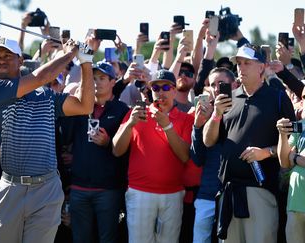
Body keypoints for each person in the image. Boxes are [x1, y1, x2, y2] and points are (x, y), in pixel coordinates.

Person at [0, 37, 94, 242]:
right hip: (11, 188)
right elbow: (41, 77)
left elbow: (85, 106)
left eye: (7, 56)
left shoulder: (46, 95)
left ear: (21, 60)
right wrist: (69, 54)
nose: (1, 60)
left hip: (46, 189)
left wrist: (85, 63)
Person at [203, 44, 295, 243]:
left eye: (247, 63)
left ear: (261, 67)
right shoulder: (229, 98)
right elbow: (208, 141)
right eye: (239, 63)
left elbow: (293, 144)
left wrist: (266, 152)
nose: (241, 68)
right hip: (228, 191)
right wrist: (216, 114)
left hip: (261, 192)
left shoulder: (278, 98)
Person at [112, 69, 194, 243]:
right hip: (139, 191)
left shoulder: (186, 119)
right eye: (156, 88)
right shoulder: (136, 114)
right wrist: (130, 124)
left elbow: (185, 156)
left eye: (166, 87)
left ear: (174, 90)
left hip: (173, 193)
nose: (161, 91)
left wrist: (167, 126)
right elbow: (116, 150)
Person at [61, 61, 129, 243]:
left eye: (102, 78)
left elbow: (127, 150)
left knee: (108, 239)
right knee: (80, 239)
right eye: (93, 78)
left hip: (108, 189)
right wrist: (71, 103)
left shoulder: (122, 110)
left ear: (113, 82)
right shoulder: (79, 107)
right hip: (79, 188)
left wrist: (108, 143)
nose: (96, 82)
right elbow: (65, 138)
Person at [190, 67, 238, 243]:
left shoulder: (242, 111)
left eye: (221, 83)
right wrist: (197, 126)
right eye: (212, 85)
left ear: (234, 84)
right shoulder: (206, 115)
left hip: (233, 194)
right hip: (207, 194)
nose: (217, 88)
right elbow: (197, 158)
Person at [276, 98, 305, 243]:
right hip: (295, 203)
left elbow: (292, 158)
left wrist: (295, 158)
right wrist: (282, 134)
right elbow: (284, 162)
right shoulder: (300, 125)